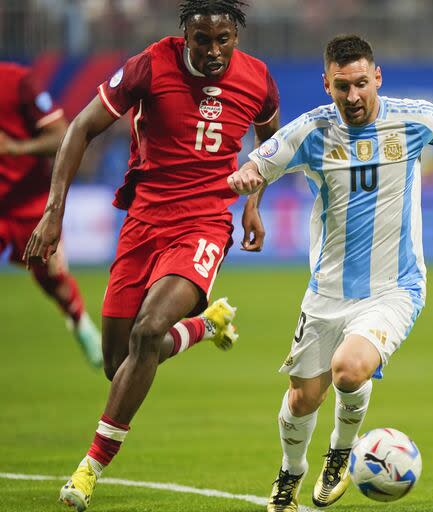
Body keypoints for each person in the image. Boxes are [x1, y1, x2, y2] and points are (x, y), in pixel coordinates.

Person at [228, 34, 433, 512]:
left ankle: (340, 453)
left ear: (377, 77)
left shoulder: (414, 118)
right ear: (327, 85)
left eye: (360, 83)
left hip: (395, 288)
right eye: (341, 87)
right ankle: (290, 475)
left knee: (349, 369)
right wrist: (251, 198)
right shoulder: (312, 130)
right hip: (327, 292)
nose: (353, 96)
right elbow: (259, 163)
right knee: (301, 400)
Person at [23, 1, 280, 510]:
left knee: (147, 332)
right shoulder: (149, 64)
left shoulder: (258, 78)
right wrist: (54, 211)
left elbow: (271, 143)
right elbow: (79, 129)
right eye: (201, 40)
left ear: (236, 36)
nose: (212, 51)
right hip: (143, 222)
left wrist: (252, 204)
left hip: (205, 222)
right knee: (120, 362)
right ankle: (205, 326)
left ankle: (89, 468)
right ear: (184, 33)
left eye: (222, 39)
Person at [0, 61, 103, 367]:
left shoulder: (19, 82)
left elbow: (61, 136)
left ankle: (81, 323)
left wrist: (16, 149)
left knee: (52, 277)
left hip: (27, 201)